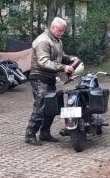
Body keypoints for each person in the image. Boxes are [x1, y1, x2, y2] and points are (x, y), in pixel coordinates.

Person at [25, 17, 79, 146]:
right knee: (41, 105)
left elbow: (59, 56)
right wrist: (62, 67)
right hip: (39, 76)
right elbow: (43, 61)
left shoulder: (56, 40)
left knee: (51, 106)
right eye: (60, 30)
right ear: (53, 27)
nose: (62, 33)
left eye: (63, 31)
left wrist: (69, 58)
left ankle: (45, 133)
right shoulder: (42, 41)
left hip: (49, 76)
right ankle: (30, 134)